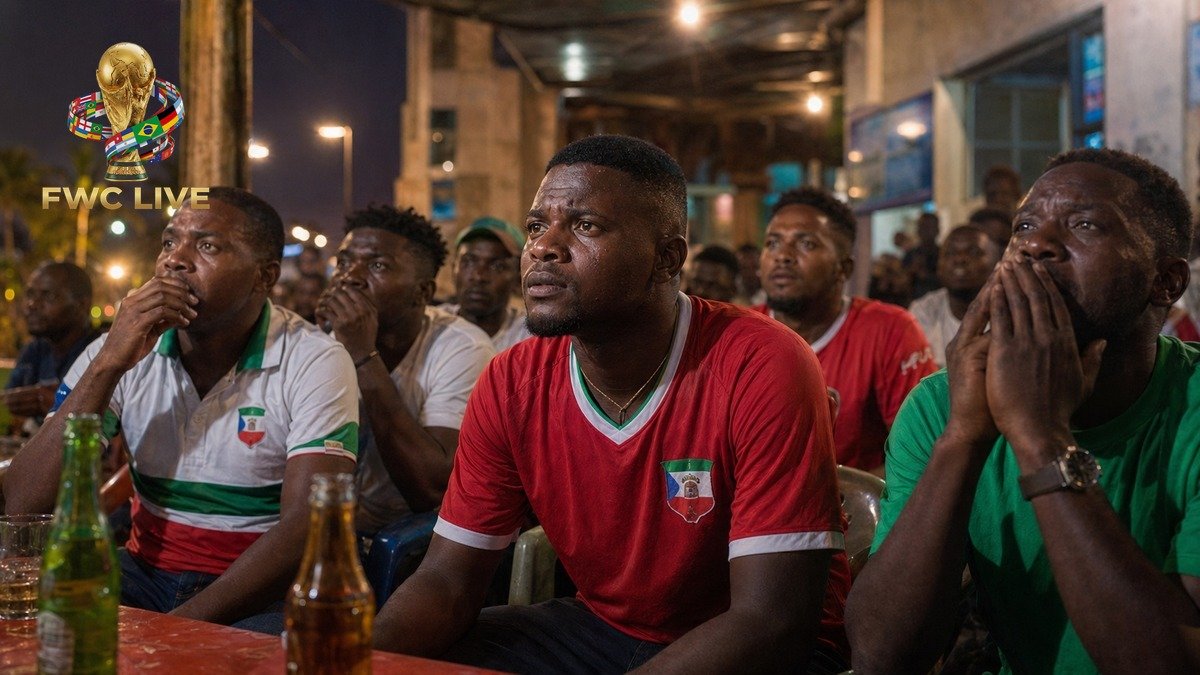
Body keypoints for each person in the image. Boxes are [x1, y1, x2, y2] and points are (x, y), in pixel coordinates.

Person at [373, 135, 850, 673]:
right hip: (601, 631)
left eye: (585, 226)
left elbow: (772, 620)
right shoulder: (512, 379)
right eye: (536, 226)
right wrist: (359, 659)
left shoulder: (761, 362)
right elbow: (448, 581)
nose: (543, 248)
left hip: (758, 649)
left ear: (666, 258)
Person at [846, 148, 1200, 674]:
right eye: (1026, 225)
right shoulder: (943, 405)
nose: (1036, 245)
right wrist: (964, 436)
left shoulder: (1188, 404)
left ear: (1165, 282)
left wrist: (1040, 438)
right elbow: (883, 655)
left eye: (1084, 225)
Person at [3, 187, 360, 629]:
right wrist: (109, 363)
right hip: (141, 576)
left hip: (259, 597)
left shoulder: (314, 359)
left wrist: (175, 627)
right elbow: (20, 504)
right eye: (170, 242)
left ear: (264, 277)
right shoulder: (122, 350)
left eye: (207, 246)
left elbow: (308, 526)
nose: (175, 260)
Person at [317, 205, 494, 534]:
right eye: (343, 262)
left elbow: (431, 491)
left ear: (423, 293)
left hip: (414, 539)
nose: (350, 276)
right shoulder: (329, 341)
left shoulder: (462, 348)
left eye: (378, 265)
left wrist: (362, 356)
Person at [756, 187, 936, 474]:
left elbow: (921, 451)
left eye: (807, 244)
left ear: (844, 268)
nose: (783, 256)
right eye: (773, 243)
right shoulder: (740, 333)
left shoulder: (889, 329)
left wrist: (853, 496)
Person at [3, 261, 99, 425]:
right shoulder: (34, 350)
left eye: (49, 296)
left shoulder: (101, 353)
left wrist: (57, 405)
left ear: (82, 305)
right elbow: (6, 405)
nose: (32, 305)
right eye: (30, 294)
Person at [907, 224, 1003, 367]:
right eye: (950, 253)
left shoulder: (1011, 313)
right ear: (939, 265)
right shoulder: (923, 311)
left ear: (997, 264)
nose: (960, 259)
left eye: (974, 252)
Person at [439, 216, 532, 352]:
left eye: (497, 266)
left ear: (518, 278)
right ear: (454, 269)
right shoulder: (431, 328)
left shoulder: (530, 338)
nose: (478, 276)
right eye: (469, 262)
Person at [903, 212, 942, 301]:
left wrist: (925, 275)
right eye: (921, 227)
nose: (923, 231)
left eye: (928, 227)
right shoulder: (911, 254)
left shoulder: (944, 254)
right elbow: (903, 284)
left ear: (937, 230)